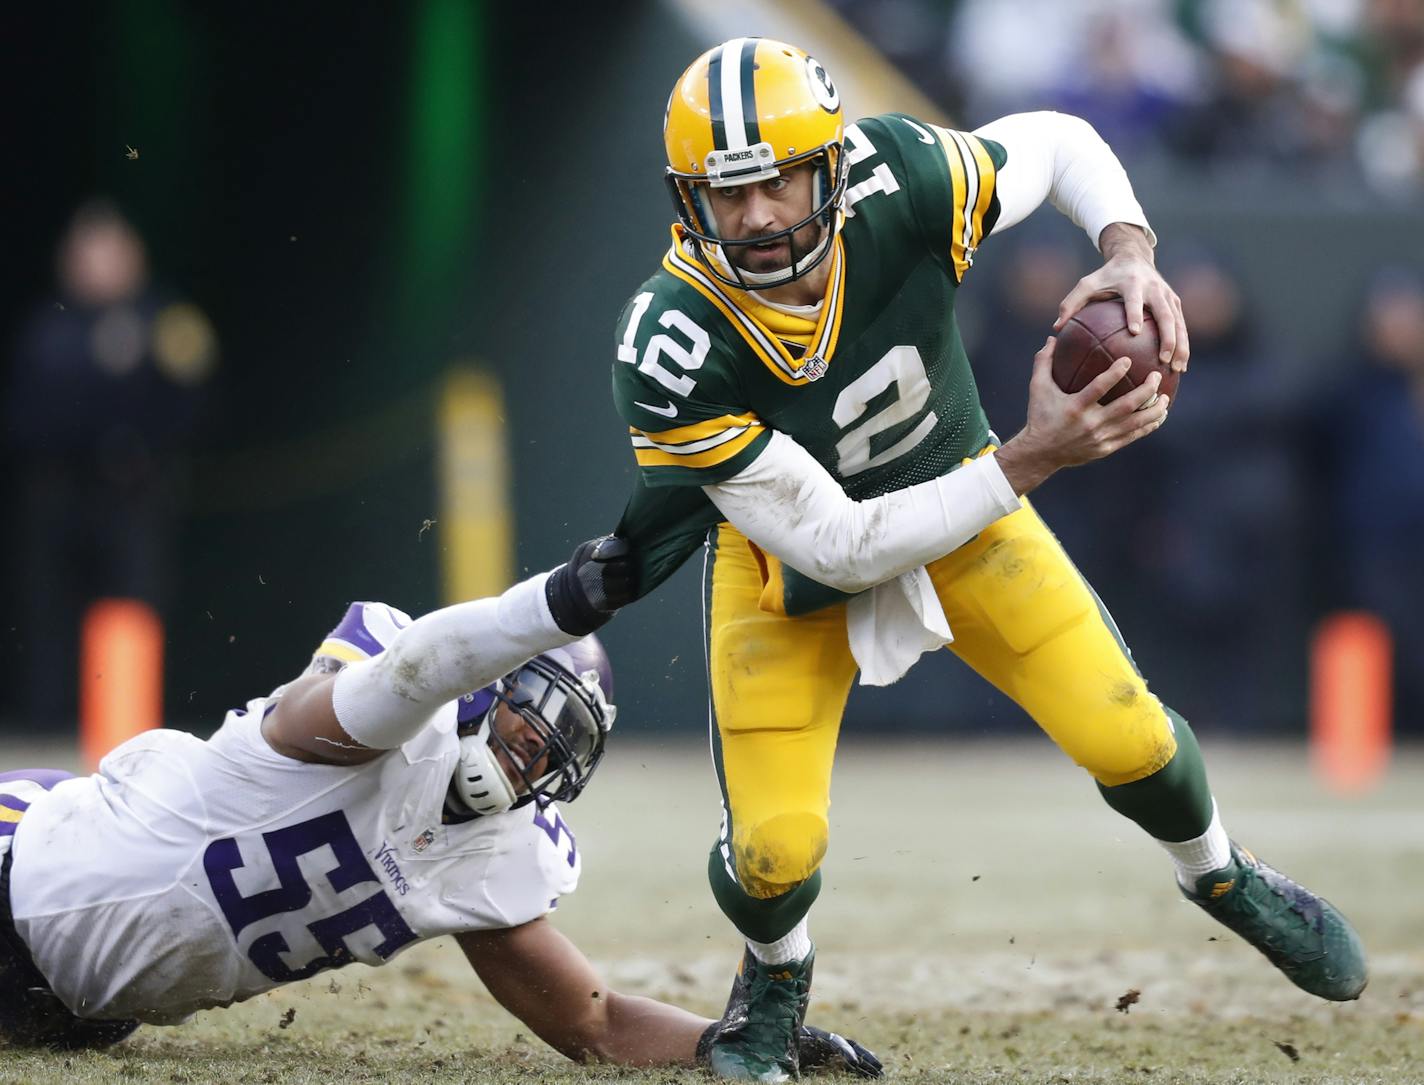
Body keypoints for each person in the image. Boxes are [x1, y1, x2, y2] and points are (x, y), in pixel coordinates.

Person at [609, 38, 1367, 1082]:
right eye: (725, 193)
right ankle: (773, 976)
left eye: (777, 180)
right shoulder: (677, 335)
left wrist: (1129, 251)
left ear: (829, 165)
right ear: (685, 198)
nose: (754, 216)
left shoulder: (903, 178)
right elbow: (838, 543)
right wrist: (1032, 455)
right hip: (791, 569)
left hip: (964, 504)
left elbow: (1058, 144)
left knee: (1129, 735)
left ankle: (1219, 873)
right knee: (771, 852)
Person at [0, 536, 881, 1077]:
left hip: (81, 1010)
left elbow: (595, 1021)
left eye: (556, 749)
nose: (530, 753)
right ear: (482, 688)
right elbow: (412, 667)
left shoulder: (493, 856)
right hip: (22, 853)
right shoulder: (378, 716)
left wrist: (725, 1041)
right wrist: (552, 604)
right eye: (527, 720)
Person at [5, 200, 218, 728]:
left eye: (109, 253)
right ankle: (46, 727)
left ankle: (125, 730)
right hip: (57, 493)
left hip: (134, 494)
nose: (98, 265)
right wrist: (97, 365)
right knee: (50, 614)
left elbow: (196, 399)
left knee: (132, 609)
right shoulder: (46, 328)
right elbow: (26, 416)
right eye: (87, 254)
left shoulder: (167, 320)